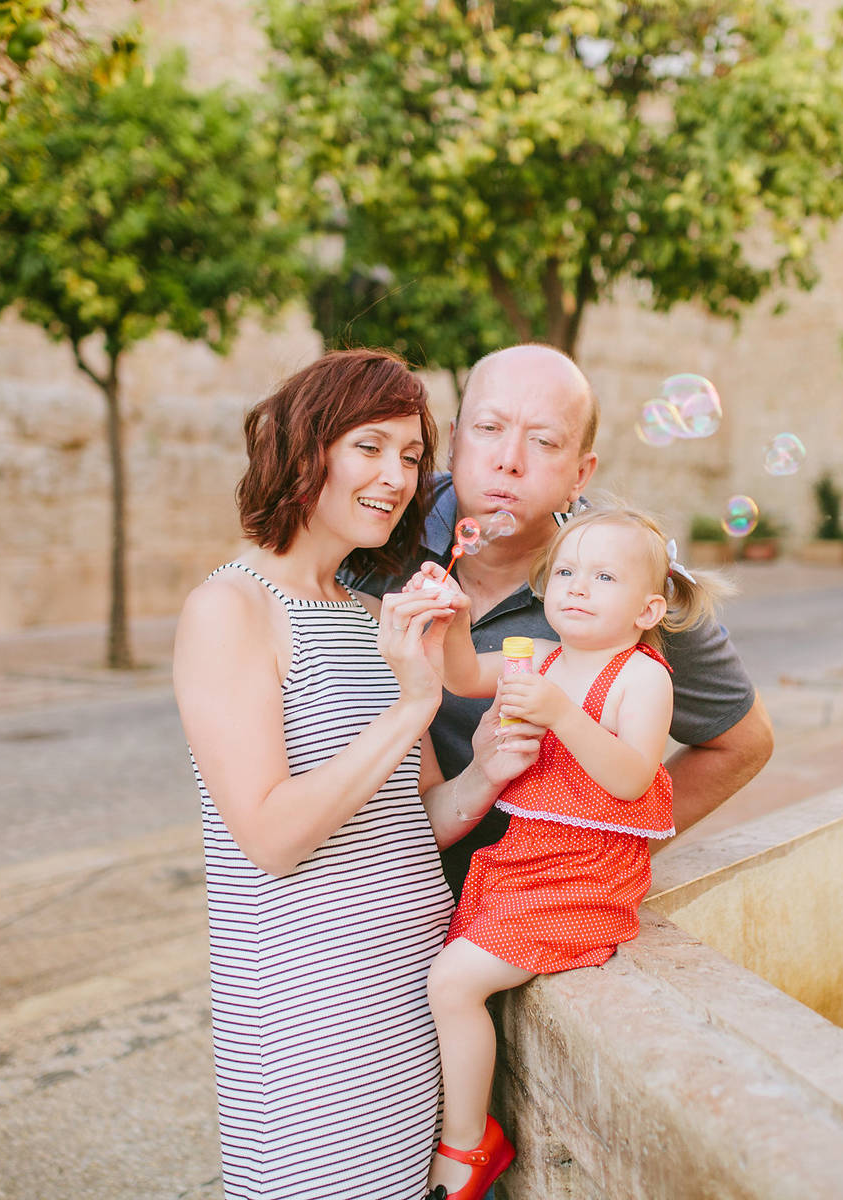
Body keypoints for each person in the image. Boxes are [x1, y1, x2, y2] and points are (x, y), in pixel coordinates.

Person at [172, 349, 543, 1200]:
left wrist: (488, 765)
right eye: (370, 447)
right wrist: (413, 704)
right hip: (308, 1027)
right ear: (306, 451)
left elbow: (419, 817)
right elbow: (270, 836)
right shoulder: (230, 609)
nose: (397, 477)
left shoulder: (370, 611)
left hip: (407, 1007)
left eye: (413, 457)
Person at [343, 344, 774, 894]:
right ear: (452, 441)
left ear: (581, 473)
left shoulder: (627, 583)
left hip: (521, 906)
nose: (509, 460)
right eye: (488, 428)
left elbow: (744, 742)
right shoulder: (382, 519)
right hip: (369, 898)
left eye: (544, 441)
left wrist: (593, 857)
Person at [410, 505, 729, 1200]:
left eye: (603, 576)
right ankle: (462, 1124)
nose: (577, 587)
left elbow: (631, 777)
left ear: (648, 608)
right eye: (565, 572)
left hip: (586, 878)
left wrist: (560, 714)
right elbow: (463, 677)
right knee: (448, 974)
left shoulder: (640, 678)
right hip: (527, 860)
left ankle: (468, 1145)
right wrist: (456, 620)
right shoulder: (546, 658)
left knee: (452, 981)